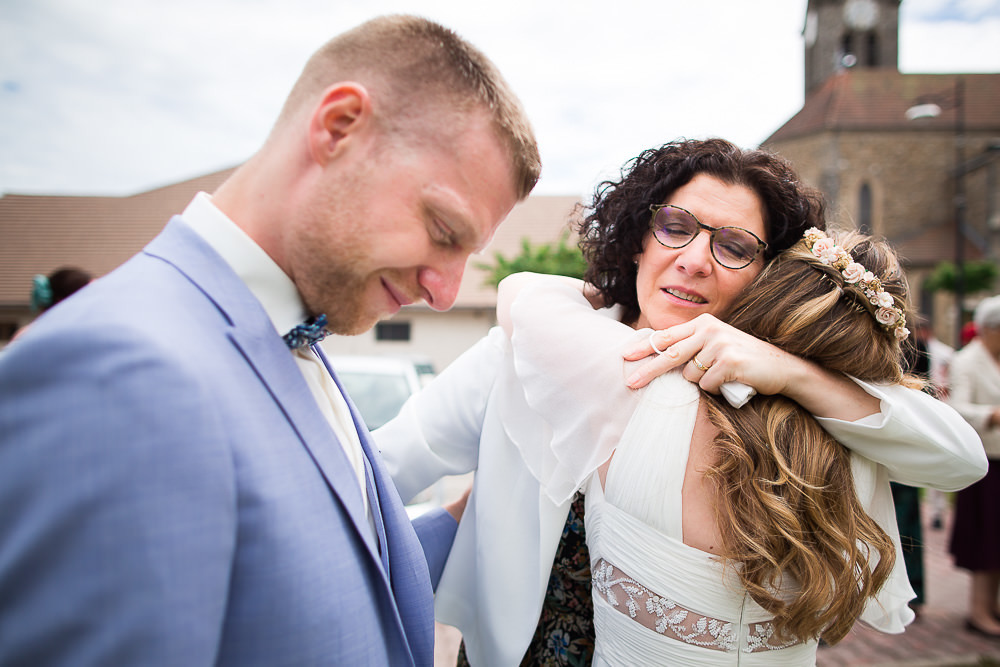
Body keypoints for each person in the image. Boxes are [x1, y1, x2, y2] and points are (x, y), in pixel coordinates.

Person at [0, 15, 539, 667]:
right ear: (339, 128)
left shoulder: (298, 330)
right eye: (443, 229)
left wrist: (473, 511)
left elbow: (320, 581)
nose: (446, 289)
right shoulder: (117, 371)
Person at [377, 138, 987, 666]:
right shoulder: (528, 347)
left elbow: (959, 458)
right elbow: (387, 467)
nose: (694, 260)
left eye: (735, 246)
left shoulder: (774, 392)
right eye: (676, 226)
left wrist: (792, 372)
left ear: (764, 274)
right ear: (640, 238)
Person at [502, 228, 918, 663]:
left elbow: (519, 294)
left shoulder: (640, 382)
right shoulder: (865, 444)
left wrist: (619, 287)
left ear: (763, 296)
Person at [948, 294, 1000, 638]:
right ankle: (979, 612)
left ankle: (992, 607)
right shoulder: (966, 361)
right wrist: (992, 416)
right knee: (987, 539)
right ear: (988, 330)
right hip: (985, 465)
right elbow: (956, 407)